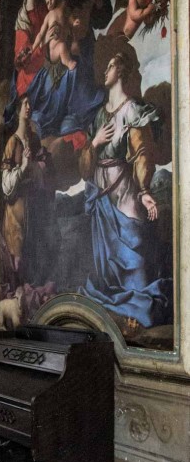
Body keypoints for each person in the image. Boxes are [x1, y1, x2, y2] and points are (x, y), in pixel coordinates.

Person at [78, 52, 172, 328]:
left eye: (109, 66)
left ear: (120, 70)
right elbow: (84, 168)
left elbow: (142, 152)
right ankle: (122, 314)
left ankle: (139, 309)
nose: (104, 71)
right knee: (108, 277)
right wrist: (93, 144)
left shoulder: (131, 109)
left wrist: (144, 190)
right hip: (101, 199)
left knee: (135, 254)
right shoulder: (98, 116)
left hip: (124, 194)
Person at [1, 95, 54, 290]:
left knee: (36, 256)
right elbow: (6, 186)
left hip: (34, 208)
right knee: (18, 260)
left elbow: (44, 172)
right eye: (25, 104)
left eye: (30, 103)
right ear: (18, 110)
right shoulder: (12, 143)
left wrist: (38, 166)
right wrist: (23, 166)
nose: (29, 107)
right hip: (16, 212)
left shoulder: (34, 139)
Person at [13, 0, 48, 98]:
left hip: (47, 56)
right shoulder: (23, 18)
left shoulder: (42, 5)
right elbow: (23, 57)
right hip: (32, 70)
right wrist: (42, 44)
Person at [32, 0, 77, 70]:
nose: (50, 4)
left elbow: (69, 15)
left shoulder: (62, 5)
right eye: (47, 3)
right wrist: (33, 47)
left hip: (65, 41)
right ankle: (68, 62)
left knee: (70, 46)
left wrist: (73, 22)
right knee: (62, 46)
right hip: (54, 50)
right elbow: (40, 34)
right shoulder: (49, 16)